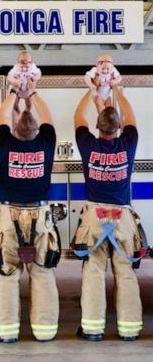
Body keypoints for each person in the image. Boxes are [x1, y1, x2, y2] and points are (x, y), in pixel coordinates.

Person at [0, 80, 60, 343]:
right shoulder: (47, 142)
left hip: (9, 218)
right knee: (43, 273)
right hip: (41, 217)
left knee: (7, 274)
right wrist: (30, 93)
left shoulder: (4, 144)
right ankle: (45, 332)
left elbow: (1, 116)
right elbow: (48, 117)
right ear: (37, 130)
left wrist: (13, 92)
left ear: (14, 130)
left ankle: (6, 333)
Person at [73, 86, 143, 341]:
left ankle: (92, 328)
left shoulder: (88, 145)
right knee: (125, 271)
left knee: (93, 270)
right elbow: (131, 117)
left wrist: (91, 95)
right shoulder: (129, 143)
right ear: (119, 128)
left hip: (94, 216)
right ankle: (129, 329)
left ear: (97, 127)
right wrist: (117, 90)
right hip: (123, 218)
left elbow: (78, 118)